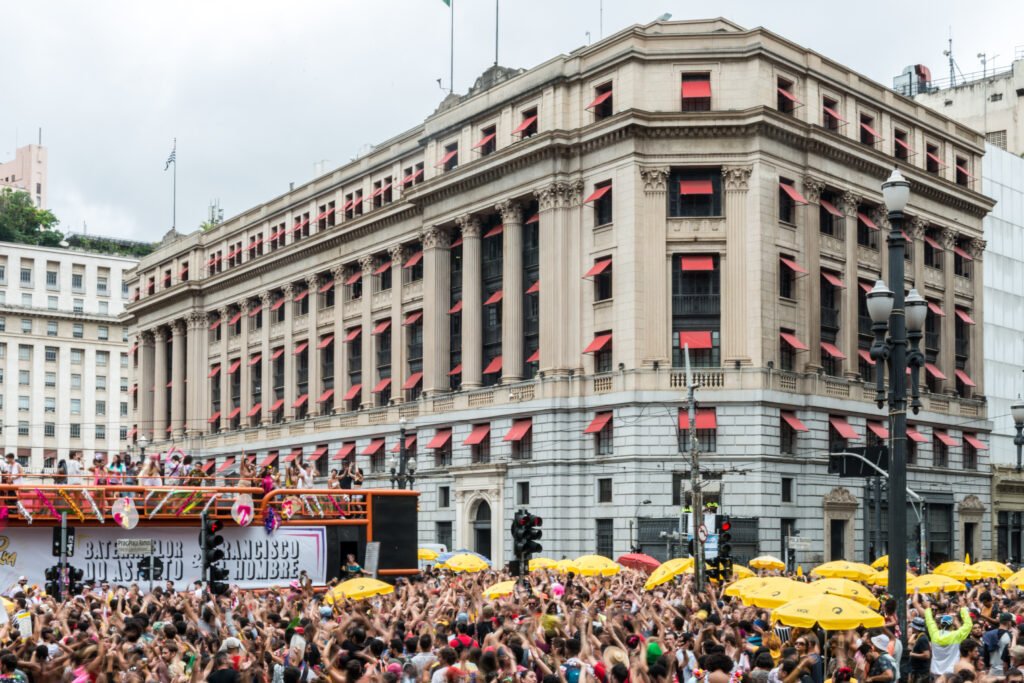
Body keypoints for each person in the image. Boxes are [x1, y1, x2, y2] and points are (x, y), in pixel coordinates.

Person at [908, 616, 932, 683]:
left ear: (915, 628)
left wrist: (912, 654)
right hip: (918, 671)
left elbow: (927, 655)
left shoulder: (922, 639)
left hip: (922, 673)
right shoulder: (919, 637)